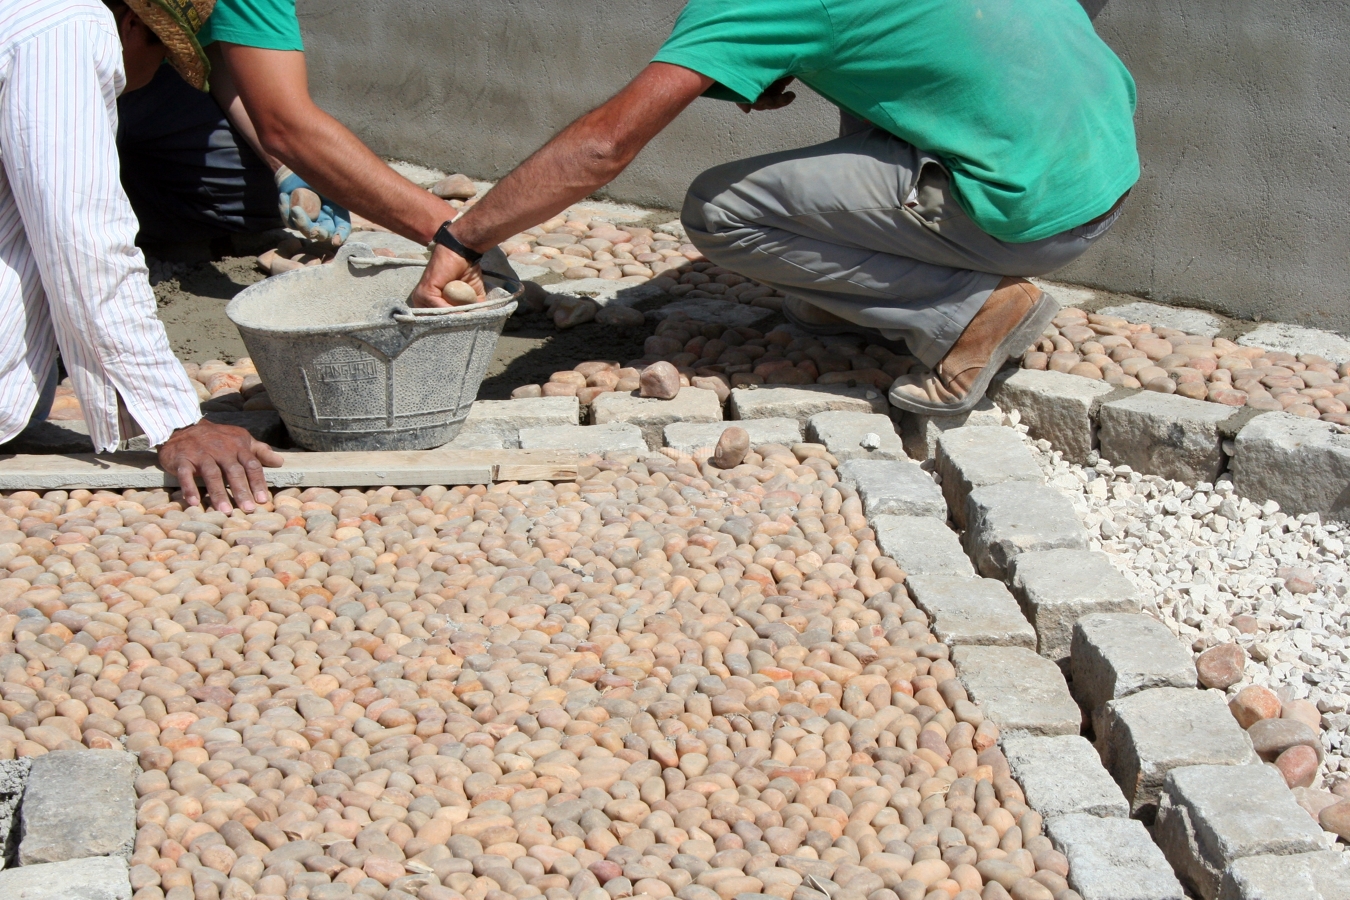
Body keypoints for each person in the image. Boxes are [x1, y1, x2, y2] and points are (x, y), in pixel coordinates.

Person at [410, 0, 1138, 416]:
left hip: (1027, 213)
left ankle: (966, 313)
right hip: (1101, 170)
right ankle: (871, 297)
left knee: (720, 210)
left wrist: (464, 237)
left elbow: (606, 145)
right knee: (877, 92)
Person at [0, 0, 282, 511]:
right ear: (132, 23)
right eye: (165, 57)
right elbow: (84, 239)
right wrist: (176, 420)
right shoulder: (67, 28)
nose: (155, 76)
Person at [115, 0, 459, 249]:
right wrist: (454, 234)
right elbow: (286, 126)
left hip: (138, 71)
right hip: (108, 75)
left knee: (262, 189)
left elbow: (220, 52)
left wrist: (287, 169)